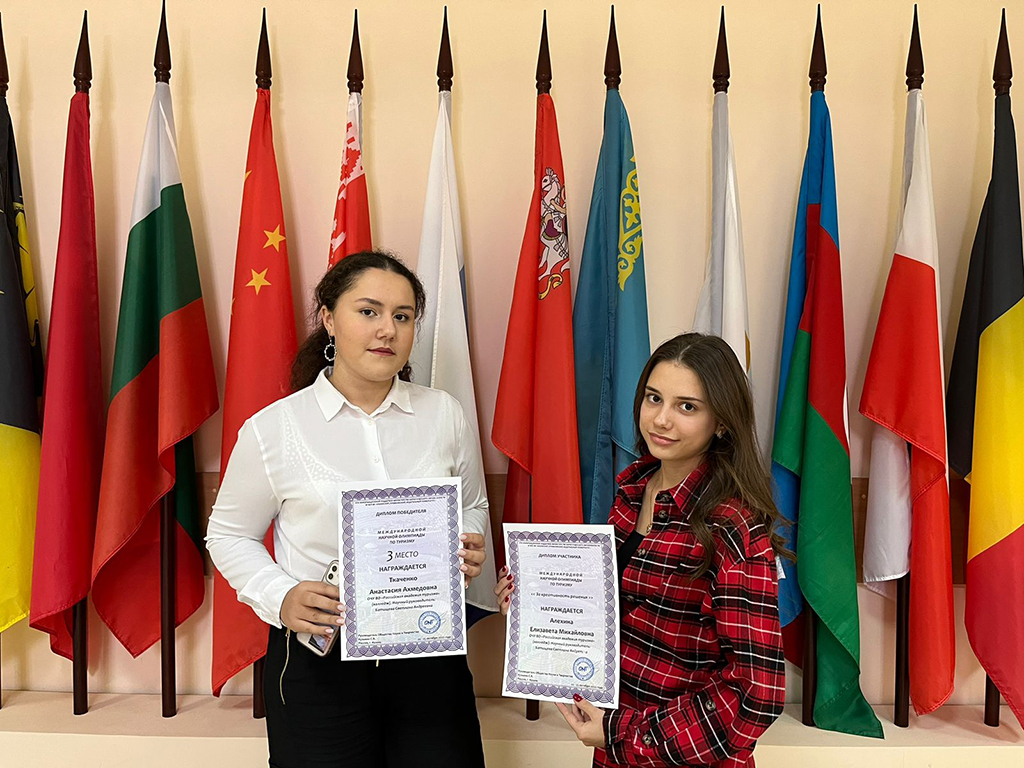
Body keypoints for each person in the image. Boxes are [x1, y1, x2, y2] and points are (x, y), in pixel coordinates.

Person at [207, 251, 489, 768]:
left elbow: (473, 504)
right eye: (368, 311)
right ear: (330, 319)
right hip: (319, 660)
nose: (387, 329)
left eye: (402, 316)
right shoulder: (275, 428)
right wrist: (280, 595)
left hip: (428, 653)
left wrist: (466, 543)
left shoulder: (443, 415)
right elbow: (227, 535)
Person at [496, 332, 787, 767]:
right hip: (613, 749)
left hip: (680, 756)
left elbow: (755, 696)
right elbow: (613, 616)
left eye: (687, 407)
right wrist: (534, 607)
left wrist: (623, 734)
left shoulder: (732, 528)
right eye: (654, 398)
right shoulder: (633, 491)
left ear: (722, 422)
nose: (661, 419)